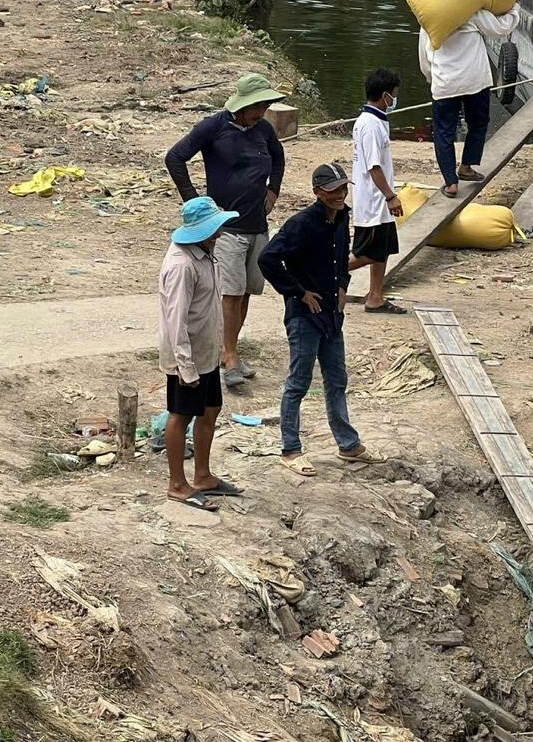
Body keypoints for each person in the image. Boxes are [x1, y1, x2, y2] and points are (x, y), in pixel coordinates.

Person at [258, 163, 386, 474]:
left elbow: (341, 256)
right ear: (317, 192)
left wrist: (342, 285)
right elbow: (268, 259)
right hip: (305, 316)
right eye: (332, 191)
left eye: (343, 189)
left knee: (337, 379)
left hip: (332, 315)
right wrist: (299, 292)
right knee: (298, 382)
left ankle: (348, 444)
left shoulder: (341, 218)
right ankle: (291, 449)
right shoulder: (301, 224)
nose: (339, 195)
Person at [164, 73, 286, 389]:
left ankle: (227, 348)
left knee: (246, 291)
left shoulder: (264, 130)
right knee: (230, 292)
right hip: (227, 228)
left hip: (257, 225)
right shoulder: (214, 127)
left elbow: (278, 157)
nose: (261, 112)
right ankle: (230, 356)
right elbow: (175, 157)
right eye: (257, 106)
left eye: (264, 106)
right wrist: (196, 203)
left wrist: (273, 190)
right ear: (241, 105)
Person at [158, 197, 242, 511]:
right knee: (181, 415)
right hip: (187, 355)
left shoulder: (204, 253)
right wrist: (185, 365)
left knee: (210, 409)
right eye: (215, 228)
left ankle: (203, 475)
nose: (220, 233)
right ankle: (177, 484)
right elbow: (175, 319)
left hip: (205, 351)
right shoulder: (182, 265)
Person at [418, 3, 521, 198]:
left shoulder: (429, 16)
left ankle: (451, 183)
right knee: (478, 124)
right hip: (475, 80)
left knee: (444, 132)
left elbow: (424, 58)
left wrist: (432, 78)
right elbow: (501, 28)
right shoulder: (471, 11)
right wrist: (514, 8)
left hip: (445, 83)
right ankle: (466, 166)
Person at [350, 68, 407, 315]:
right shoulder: (370, 125)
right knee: (367, 252)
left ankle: (375, 296)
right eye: (394, 94)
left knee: (382, 250)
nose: (395, 99)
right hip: (374, 200)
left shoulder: (376, 121)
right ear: (385, 96)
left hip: (379, 199)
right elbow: (373, 166)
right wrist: (390, 196)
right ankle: (325, 269)